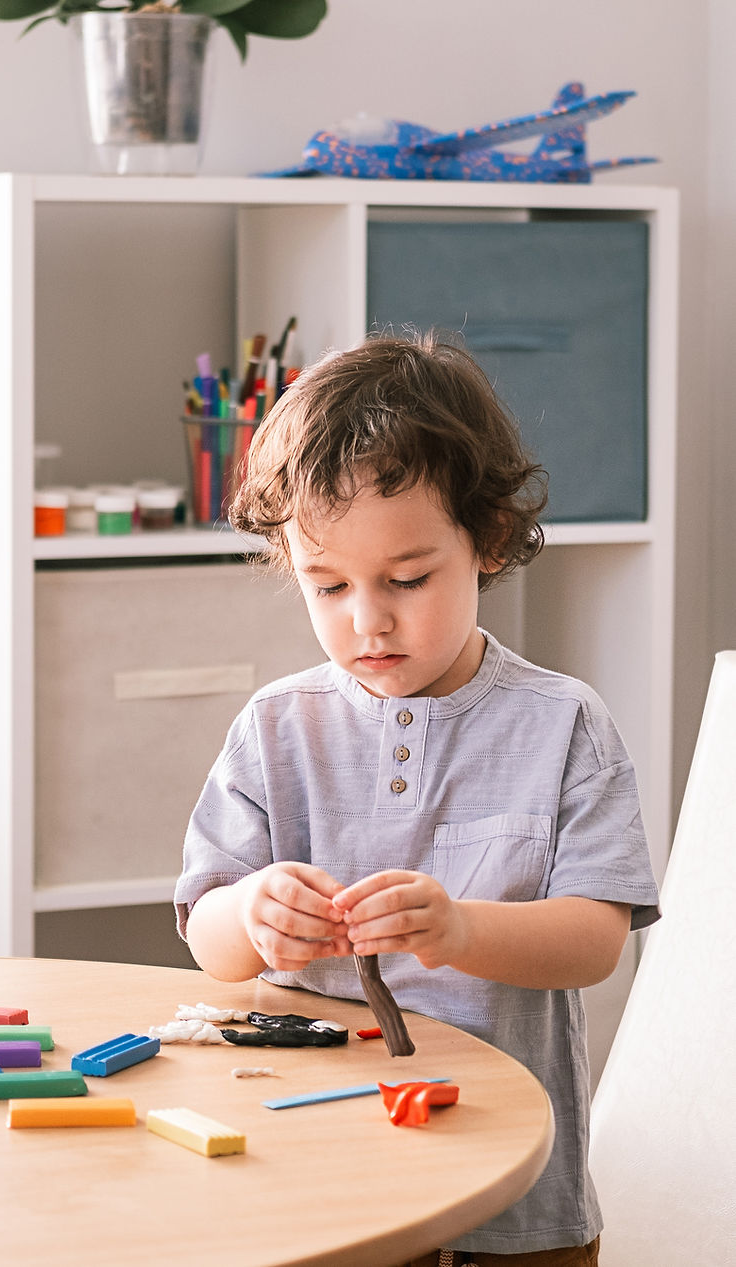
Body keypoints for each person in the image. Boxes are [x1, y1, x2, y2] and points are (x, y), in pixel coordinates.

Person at [174, 331, 660, 1266]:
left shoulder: (565, 724)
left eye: (407, 579)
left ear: (488, 541)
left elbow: (596, 942)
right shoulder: (276, 727)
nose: (368, 619)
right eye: (328, 585)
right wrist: (255, 910)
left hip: (518, 1200)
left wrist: (462, 932)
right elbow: (210, 937)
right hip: (323, 1181)